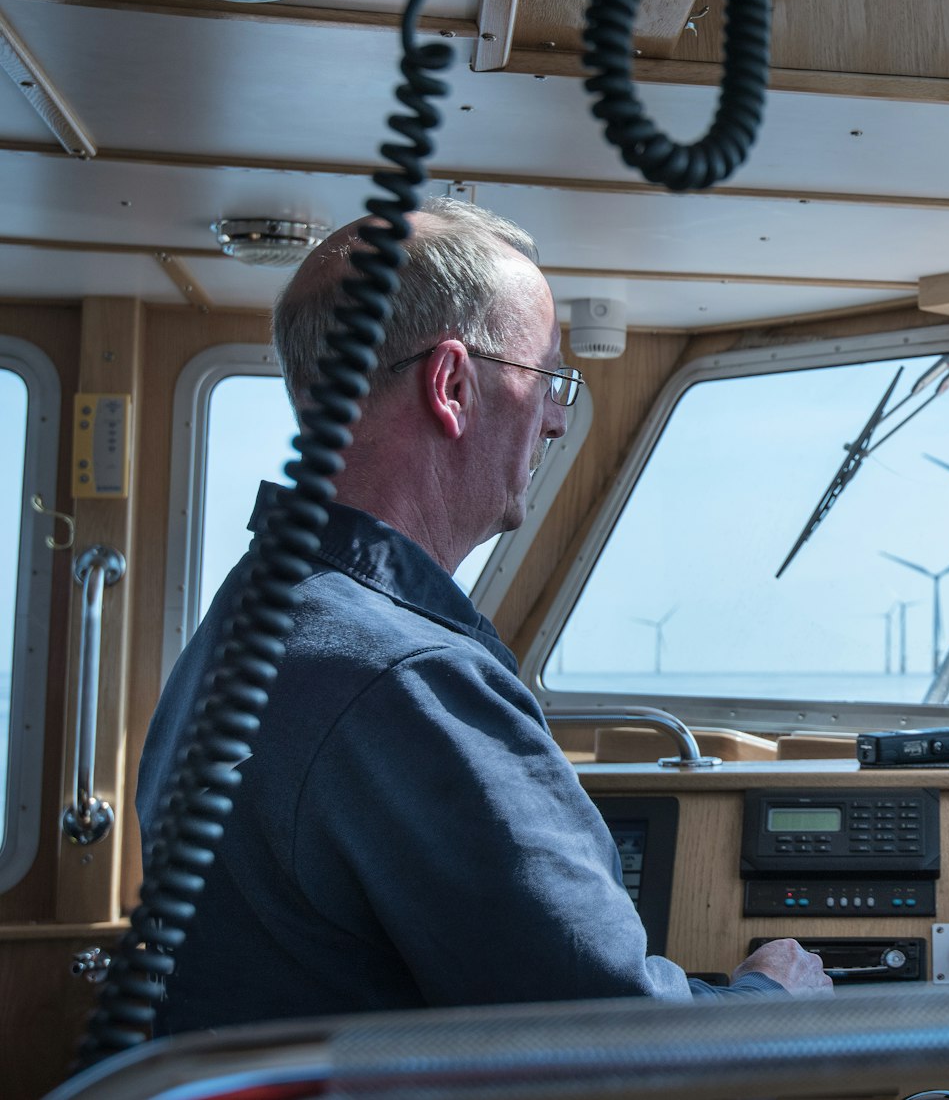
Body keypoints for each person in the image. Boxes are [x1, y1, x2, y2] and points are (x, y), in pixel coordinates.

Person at [137, 199, 829, 1033]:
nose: (559, 415)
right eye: (547, 377)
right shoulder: (404, 681)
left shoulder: (253, 612)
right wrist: (771, 1004)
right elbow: (613, 1040)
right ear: (453, 384)